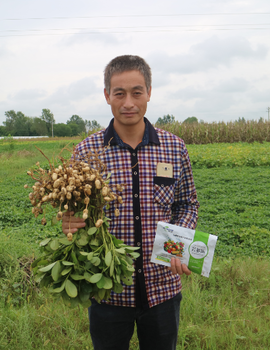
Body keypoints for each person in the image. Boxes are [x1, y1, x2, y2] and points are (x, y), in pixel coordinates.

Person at [62, 55, 199, 350]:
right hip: (108, 290)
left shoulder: (174, 147)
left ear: (149, 92)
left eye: (137, 92)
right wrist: (71, 221)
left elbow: (187, 203)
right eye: (119, 93)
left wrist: (180, 243)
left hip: (162, 288)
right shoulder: (86, 152)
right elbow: (74, 212)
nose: (128, 103)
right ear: (106, 95)